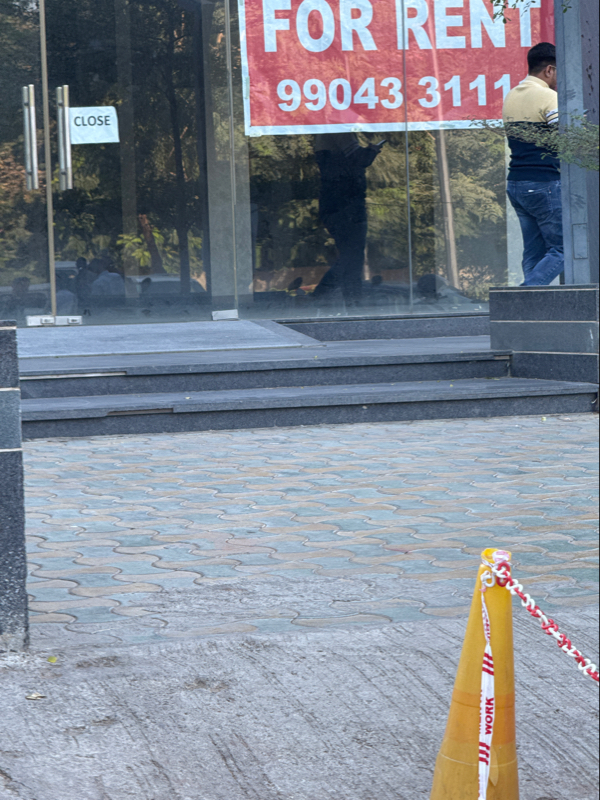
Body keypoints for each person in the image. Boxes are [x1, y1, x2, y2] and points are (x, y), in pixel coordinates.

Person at [503, 42, 562, 286]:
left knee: (533, 252)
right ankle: (525, 293)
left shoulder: (511, 95)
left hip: (516, 184)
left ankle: (528, 305)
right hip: (543, 183)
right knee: (563, 249)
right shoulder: (549, 97)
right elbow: (565, 143)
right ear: (549, 70)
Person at [313, 133, 383, 307]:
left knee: (350, 255)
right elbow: (359, 159)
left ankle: (343, 297)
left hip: (337, 202)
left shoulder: (326, 135)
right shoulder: (339, 129)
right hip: (346, 203)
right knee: (352, 256)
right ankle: (341, 297)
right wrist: (372, 151)